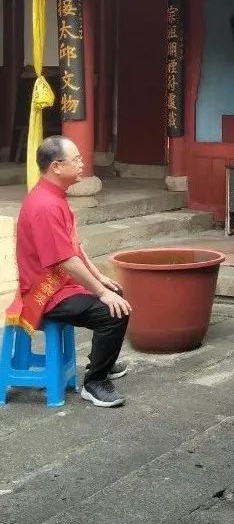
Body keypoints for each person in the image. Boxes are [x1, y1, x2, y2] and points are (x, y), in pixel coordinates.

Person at [12, 136, 132, 408]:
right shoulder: (44, 205)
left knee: (115, 293)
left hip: (60, 283)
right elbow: (66, 259)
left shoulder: (53, 196)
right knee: (112, 312)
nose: (82, 164)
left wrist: (101, 280)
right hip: (43, 292)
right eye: (76, 159)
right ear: (56, 166)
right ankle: (95, 382)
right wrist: (99, 292)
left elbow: (73, 247)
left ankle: (102, 360)